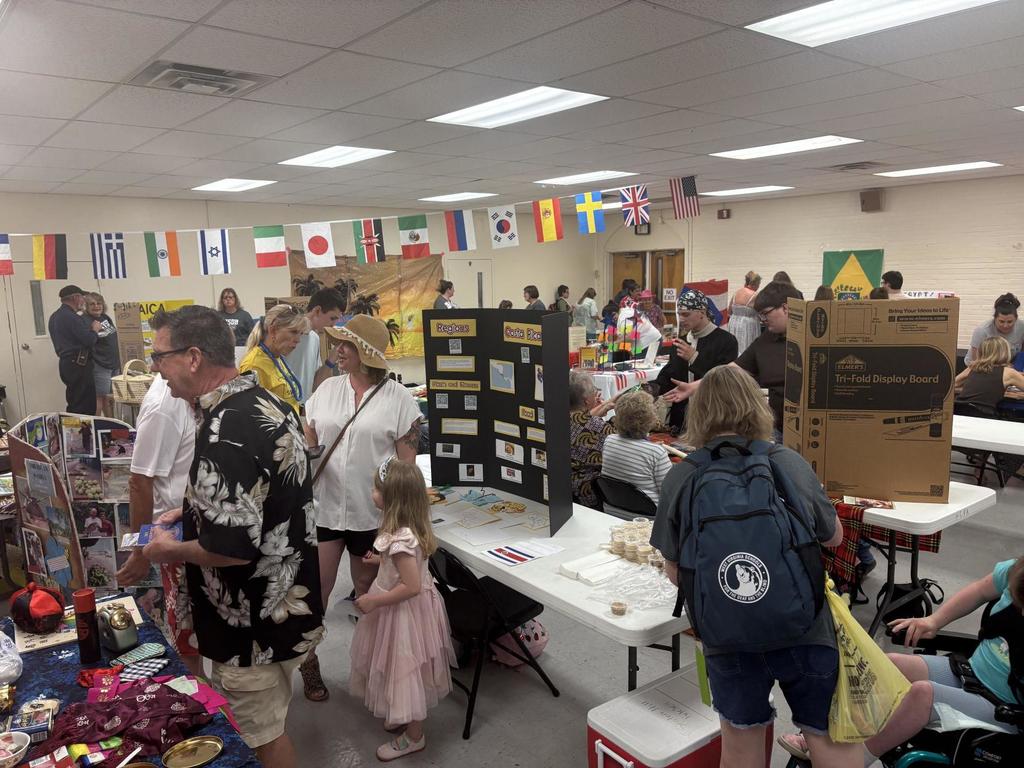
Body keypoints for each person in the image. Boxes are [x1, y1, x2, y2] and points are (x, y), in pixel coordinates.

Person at [142, 306, 322, 768]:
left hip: (249, 627)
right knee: (265, 727)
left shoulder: (226, 430)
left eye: (159, 357)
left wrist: (165, 550)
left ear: (194, 357)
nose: (157, 371)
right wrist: (191, 507)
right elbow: (264, 496)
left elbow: (229, 550)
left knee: (260, 739)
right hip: (282, 608)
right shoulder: (264, 402)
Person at [652, 365, 857, 768]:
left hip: (727, 636)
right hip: (805, 628)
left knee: (741, 742)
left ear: (700, 411)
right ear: (757, 407)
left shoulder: (684, 475)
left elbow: (676, 571)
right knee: (828, 739)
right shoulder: (786, 461)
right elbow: (833, 538)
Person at [780, 557, 1024, 765]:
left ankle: (854, 761)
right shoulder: (1017, 571)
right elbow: (982, 589)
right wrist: (933, 621)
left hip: (1004, 707)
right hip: (972, 671)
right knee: (884, 666)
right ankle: (823, 738)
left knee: (922, 694)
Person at [300, 314, 422, 702]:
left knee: (368, 594)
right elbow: (310, 439)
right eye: (338, 343)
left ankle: (374, 667)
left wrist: (401, 525)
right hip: (326, 510)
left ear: (366, 353)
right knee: (314, 594)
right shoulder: (327, 390)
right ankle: (309, 659)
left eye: (346, 345)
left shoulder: (399, 399)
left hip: (373, 517)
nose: (338, 350)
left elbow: (406, 469)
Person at [350, 458, 455, 761]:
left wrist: (373, 600)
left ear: (392, 498)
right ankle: (401, 710)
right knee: (397, 668)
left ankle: (414, 736)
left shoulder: (402, 541)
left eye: (376, 488)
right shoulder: (401, 530)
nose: (372, 493)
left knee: (406, 671)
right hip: (399, 610)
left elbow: (409, 586)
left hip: (403, 614)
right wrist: (380, 562)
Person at [115, 371, 198, 674]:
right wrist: (139, 552)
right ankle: (199, 703)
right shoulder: (165, 404)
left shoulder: (190, 393)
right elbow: (139, 481)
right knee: (185, 635)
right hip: (175, 534)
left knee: (196, 630)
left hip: (193, 523)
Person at [663, 280, 800, 438]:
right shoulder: (766, 339)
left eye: (766, 313)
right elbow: (732, 369)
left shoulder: (808, 342)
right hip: (777, 427)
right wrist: (693, 387)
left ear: (785, 308)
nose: (762, 320)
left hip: (800, 427)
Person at [656, 288, 738, 434]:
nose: (681, 319)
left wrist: (695, 358)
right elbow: (668, 378)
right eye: (679, 314)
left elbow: (725, 380)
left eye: (686, 314)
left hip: (714, 416)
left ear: (701, 313)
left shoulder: (726, 341)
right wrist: (643, 391)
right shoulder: (681, 342)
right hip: (682, 420)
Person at [600, 390, 671, 513]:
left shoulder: (609, 440)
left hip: (612, 510)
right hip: (647, 519)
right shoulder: (656, 453)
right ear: (650, 418)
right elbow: (670, 493)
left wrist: (650, 447)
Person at [239, 304, 309, 414]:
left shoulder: (277, 357)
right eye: (293, 332)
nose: (298, 340)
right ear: (273, 330)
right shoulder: (253, 365)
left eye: (300, 333)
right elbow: (250, 414)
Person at [284, 289, 345, 405]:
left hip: (301, 409)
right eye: (332, 318)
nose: (333, 324)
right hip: (281, 408)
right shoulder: (287, 333)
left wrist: (332, 359)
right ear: (317, 311)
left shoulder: (315, 338)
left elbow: (315, 384)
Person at [48, 285, 100, 414]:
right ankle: (84, 433)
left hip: (66, 364)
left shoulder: (54, 317)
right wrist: (95, 330)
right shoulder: (72, 318)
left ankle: (72, 432)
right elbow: (89, 340)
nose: (83, 301)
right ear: (76, 298)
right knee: (85, 406)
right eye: (82, 297)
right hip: (79, 365)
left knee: (74, 402)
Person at [568, 371, 615, 508]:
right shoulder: (598, 427)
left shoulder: (553, 418)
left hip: (559, 489)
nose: (596, 393)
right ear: (586, 400)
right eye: (595, 390)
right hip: (588, 495)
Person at [955, 336, 1024, 410]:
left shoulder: (973, 367)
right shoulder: (1009, 372)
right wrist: (1008, 394)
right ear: (1005, 352)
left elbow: (952, 386)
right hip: (983, 414)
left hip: (959, 409)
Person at [85, 293, 119, 417]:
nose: (96, 306)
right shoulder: (85, 320)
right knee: (99, 398)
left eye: (99, 303)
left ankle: (112, 426)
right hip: (100, 365)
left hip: (114, 364)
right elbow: (87, 341)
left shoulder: (105, 317)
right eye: (92, 304)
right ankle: (96, 427)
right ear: (86, 306)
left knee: (110, 397)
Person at [967, 293, 1024, 364]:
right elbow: (975, 361)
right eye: (1001, 321)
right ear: (995, 318)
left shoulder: (1022, 327)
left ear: (1016, 319)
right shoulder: (982, 330)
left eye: (1009, 322)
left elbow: (1022, 354)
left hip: (1007, 366)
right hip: (979, 366)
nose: (1005, 326)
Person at [728, 271, 761, 356]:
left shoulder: (736, 293)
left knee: (734, 350)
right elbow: (761, 313)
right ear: (756, 283)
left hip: (734, 324)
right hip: (747, 326)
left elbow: (729, 311)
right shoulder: (755, 295)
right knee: (746, 350)